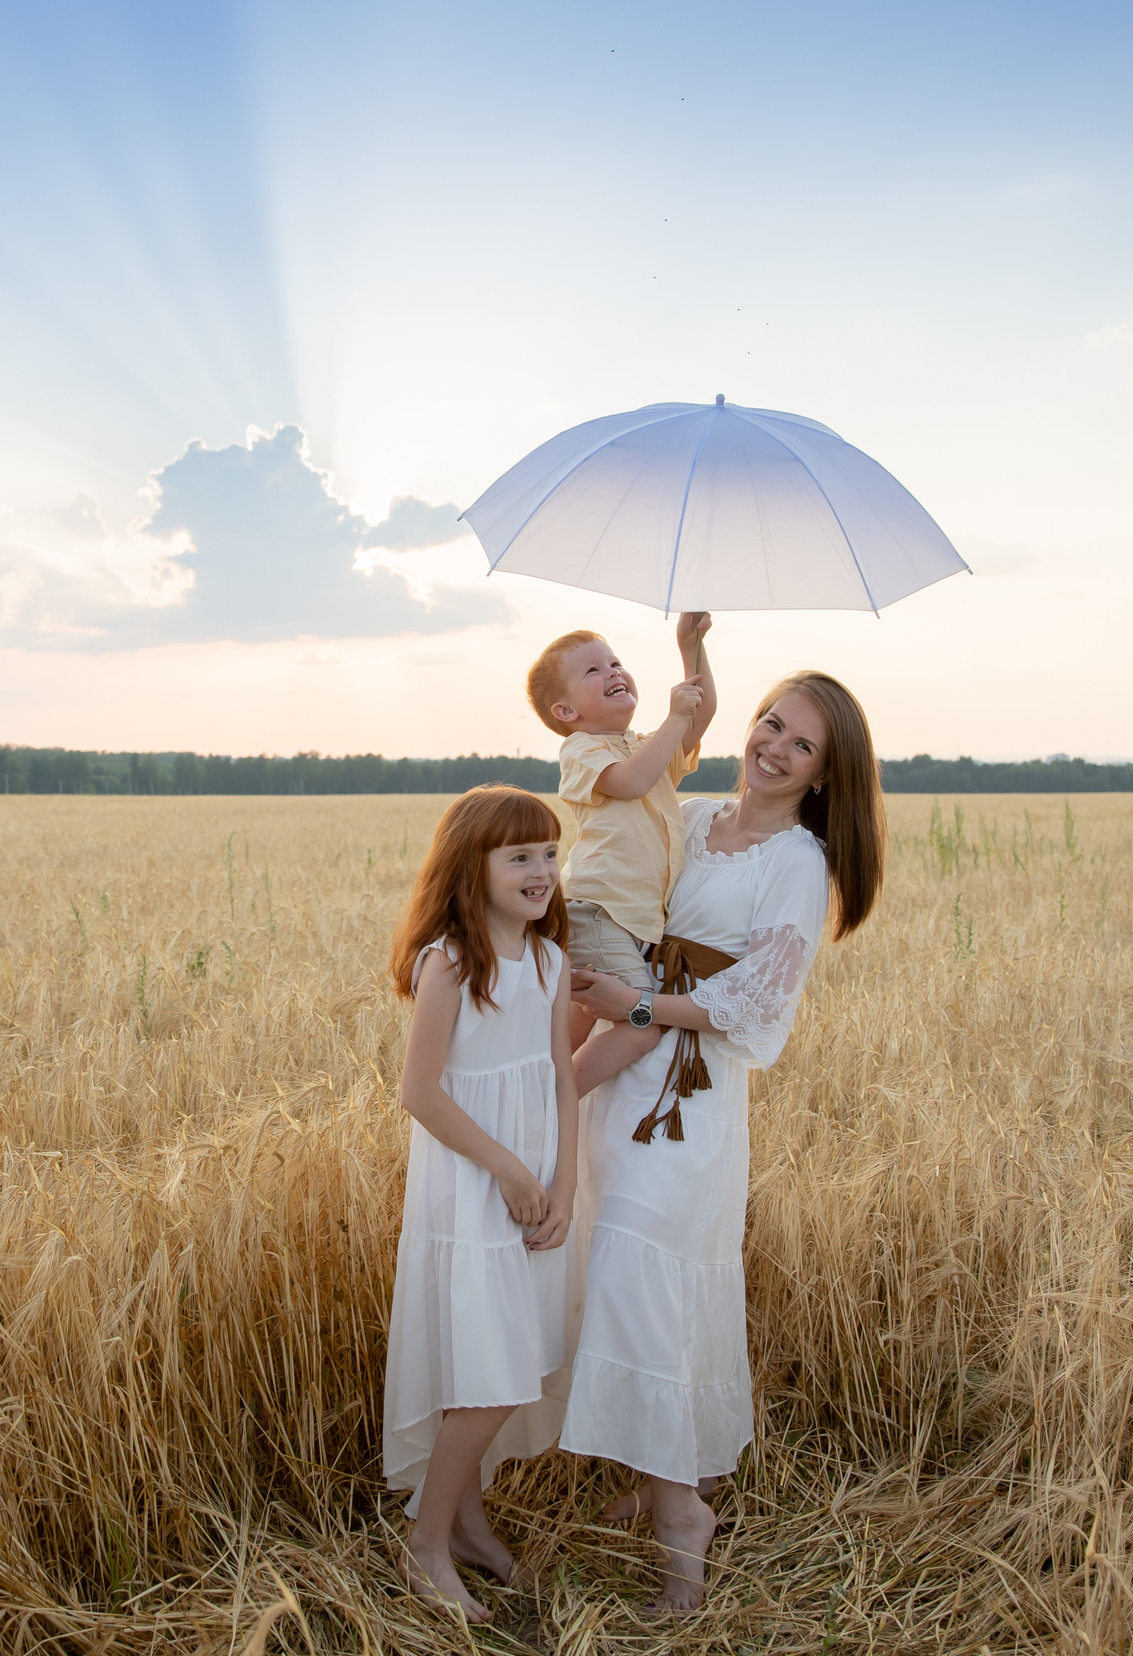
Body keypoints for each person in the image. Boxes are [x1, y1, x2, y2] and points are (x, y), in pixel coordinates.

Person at [560, 670, 885, 1613]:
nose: (774, 749)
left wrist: (639, 1004)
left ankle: (681, 1528)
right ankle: (677, 1472)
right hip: (626, 1078)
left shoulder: (797, 861)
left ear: (824, 775)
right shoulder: (695, 816)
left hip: (688, 1098)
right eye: (772, 725)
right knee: (624, 1270)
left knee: (646, 1273)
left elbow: (760, 999)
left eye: (802, 747)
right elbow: (615, 869)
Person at [381, 785, 584, 1624]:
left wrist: (565, 1182)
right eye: (520, 856)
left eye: (548, 852)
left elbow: (565, 1078)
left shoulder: (549, 961)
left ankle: (464, 1522)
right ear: (474, 866)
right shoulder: (452, 963)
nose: (542, 871)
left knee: (510, 1360)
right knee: (492, 1375)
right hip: (471, 1189)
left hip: (533, 1187)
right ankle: (424, 1544)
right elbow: (419, 1092)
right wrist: (503, 1168)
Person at [524, 614, 718, 1063]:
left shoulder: (644, 748)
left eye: (615, 662)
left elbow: (701, 713)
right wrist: (674, 717)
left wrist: (690, 645)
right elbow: (630, 782)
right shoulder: (580, 750)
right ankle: (561, 1102)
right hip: (599, 911)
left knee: (569, 1029)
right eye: (593, 670)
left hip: (631, 920)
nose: (613, 671)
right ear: (566, 713)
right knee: (641, 1026)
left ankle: (536, 1090)